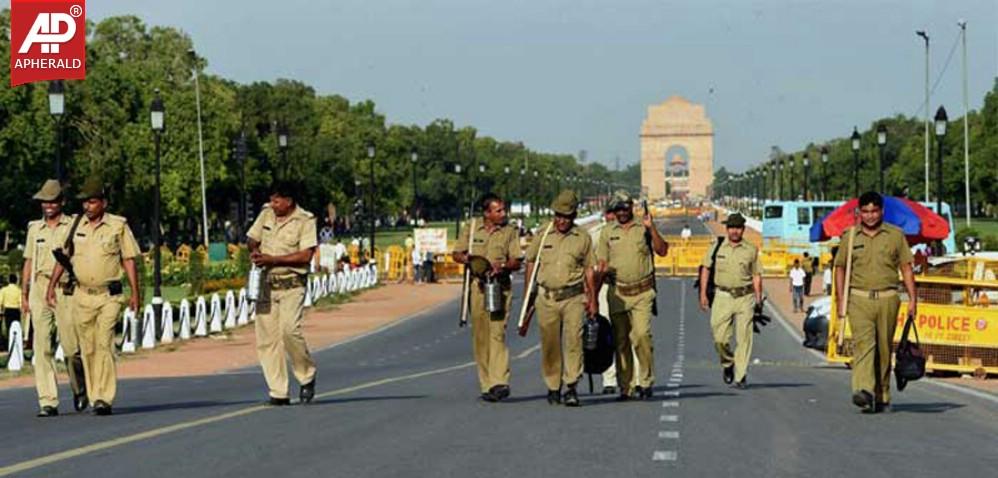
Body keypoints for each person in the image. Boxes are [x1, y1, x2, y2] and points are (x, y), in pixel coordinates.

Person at [46, 177, 140, 416]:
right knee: (87, 348)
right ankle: (94, 392)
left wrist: (135, 293)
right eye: (85, 202)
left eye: (93, 202)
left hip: (109, 295)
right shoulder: (75, 226)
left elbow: (128, 260)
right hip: (82, 296)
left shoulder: (118, 226)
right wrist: (51, 286)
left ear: (104, 203)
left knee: (104, 343)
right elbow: (63, 258)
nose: (88, 207)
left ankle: (104, 398)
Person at [834, 191, 917, 413]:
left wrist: (912, 299)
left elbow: (906, 268)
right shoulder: (850, 237)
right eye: (866, 211)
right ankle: (863, 390)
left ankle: (882, 394)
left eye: (874, 211)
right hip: (859, 299)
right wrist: (842, 300)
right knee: (864, 346)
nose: (870, 216)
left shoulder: (896, 236)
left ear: (881, 211)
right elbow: (840, 268)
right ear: (859, 212)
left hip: (888, 298)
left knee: (883, 348)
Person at [247, 181, 319, 406]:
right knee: (267, 340)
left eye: (277, 200)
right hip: (267, 285)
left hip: (292, 285)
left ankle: (306, 375)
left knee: (290, 331)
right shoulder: (266, 214)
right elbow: (252, 236)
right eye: (272, 199)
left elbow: (306, 255)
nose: (273, 203)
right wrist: (255, 249)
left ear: (289, 201)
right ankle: (278, 390)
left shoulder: (305, 220)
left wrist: (273, 259)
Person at [21, 180, 88, 417]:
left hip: (64, 287)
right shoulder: (34, 229)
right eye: (44, 201)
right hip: (39, 287)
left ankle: (80, 388)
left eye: (52, 201)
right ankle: (47, 400)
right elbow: (29, 261)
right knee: (42, 346)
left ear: (61, 202)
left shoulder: (73, 225)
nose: (48, 206)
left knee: (71, 348)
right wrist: (25, 293)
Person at [524, 190, 597, 406]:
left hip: (573, 297)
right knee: (550, 344)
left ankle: (572, 385)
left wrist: (592, 300)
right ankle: (553, 385)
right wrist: (529, 293)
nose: (561, 220)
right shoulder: (543, 233)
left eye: (566, 216)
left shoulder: (582, 237)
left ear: (573, 216)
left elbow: (589, 270)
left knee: (574, 341)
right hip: (546, 297)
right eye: (558, 215)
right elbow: (530, 262)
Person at [596, 191, 668, 401]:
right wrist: (590, 299)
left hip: (642, 292)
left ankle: (645, 382)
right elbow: (601, 264)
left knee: (642, 336)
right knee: (621, 341)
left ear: (631, 207)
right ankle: (625, 386)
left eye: (625, 208)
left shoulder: (643, 227)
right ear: (613, 211)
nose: (622, 212)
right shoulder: (607, 232)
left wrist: (651, 227)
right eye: (617, 209)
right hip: (618, 292)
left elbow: (662, 250)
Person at [453, 193, 522, 402]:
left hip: (500, 287)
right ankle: (486, 384)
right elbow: (456, 253)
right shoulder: (472, 228)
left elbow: (516, 261)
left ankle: (499, 381)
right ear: (487, 213)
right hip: (478, 288)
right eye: (498, 210)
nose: (503, 214)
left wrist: (501, 266)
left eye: (503, 210)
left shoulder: (510, 231)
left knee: (497, 333)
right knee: (481, 337)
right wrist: (469, 259)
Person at [698, 213, 763, 389]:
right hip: (722, 296)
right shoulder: (717, 247)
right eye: (732, 228)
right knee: (720, 338)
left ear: (743, 229)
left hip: (745, 297)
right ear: (727, 229)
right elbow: (705, 268)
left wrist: (758, 299)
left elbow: (756, 275)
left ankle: (740, 376)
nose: (735, 231)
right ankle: (728, 363)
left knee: (744, 338)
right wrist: (703, 294)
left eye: (738, 228)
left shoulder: (751, 250)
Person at [0, 274, 22, 352]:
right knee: (16, 328)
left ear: (9, 280)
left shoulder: (4, 290)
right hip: (16, 311)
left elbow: (0, 301)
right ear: (16, 281)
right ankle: (15, 344)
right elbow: (21, 302)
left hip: (8, 310)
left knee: (8, 328)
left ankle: (9, 345)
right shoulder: (19, 290)